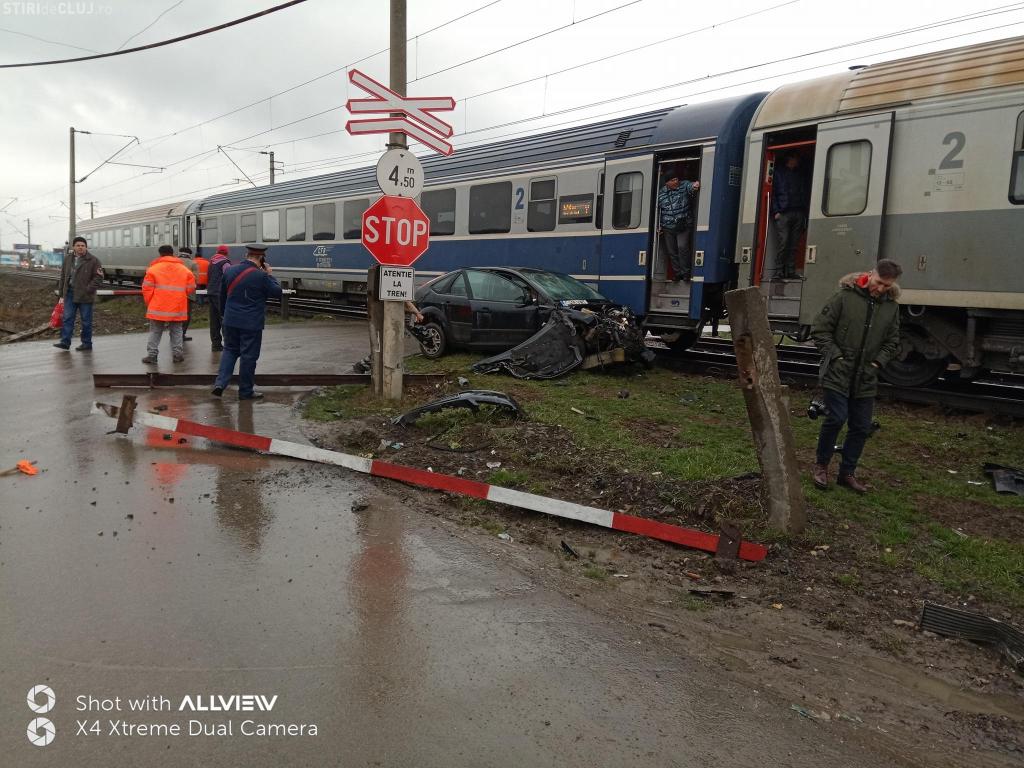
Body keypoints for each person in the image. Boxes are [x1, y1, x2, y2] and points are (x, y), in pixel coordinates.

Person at [811, 260, 903, 494]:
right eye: (879, 282)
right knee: (836, 418)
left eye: (887, 285)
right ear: (871, 275)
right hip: (839, 372)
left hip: (866, 376)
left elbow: (893, 341)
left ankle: (847, 473)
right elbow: (821, 329)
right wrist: (837, 357)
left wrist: (876, 362)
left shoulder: (891, 307)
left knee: (861, 427)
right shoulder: (844, 297)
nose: (881, 289)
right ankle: (821, 466)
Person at [212, 243, 282, 400]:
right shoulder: (261, 276)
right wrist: (270, 274)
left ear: (246, 256)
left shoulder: (230, 270)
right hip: (251, 323)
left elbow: (221, 295)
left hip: (230, 320)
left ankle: (220, 384)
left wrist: (225, 315)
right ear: (262, 258)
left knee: (229, 351)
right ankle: (245, 392)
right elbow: (277, 292)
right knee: (248, 357)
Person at [141, 245, 196, 365]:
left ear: (160, 254)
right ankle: (177, 355)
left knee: (155, 331)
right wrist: (181, 295)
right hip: (177, 306)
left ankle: (152, 355)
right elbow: (191, 287)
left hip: (158, 307)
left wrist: (150, 303)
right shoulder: (184, 269)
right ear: (172, 254)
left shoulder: (153, 269)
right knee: (176, 330)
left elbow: (146, 289)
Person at [53, 236, 103, 351]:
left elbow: (99, 277)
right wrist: (61, 293)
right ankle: (65, 342)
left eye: (83, 246)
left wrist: (88, 289)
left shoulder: (93, 260)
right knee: (67, 318)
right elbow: (63, 276)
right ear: (73, 247)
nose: (81, 247)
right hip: (70, 293)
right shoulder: (68, 259)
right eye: (78, 245)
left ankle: (86, 343)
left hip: (85, 295)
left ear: (86, 247)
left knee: (86, 320)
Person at [771, 152, 809, 279]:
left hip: (798, 211)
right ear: (789, 159)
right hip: (784, 212)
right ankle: (779, 270)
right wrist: (776, 211)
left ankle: (790, 270)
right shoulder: (778, 174)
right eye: (795, 158)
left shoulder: (800, 175)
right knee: (784, 241)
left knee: (793, 244)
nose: (797, 161)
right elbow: (773, 193)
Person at [656, 175, 700, 282]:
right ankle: (678, 273)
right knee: (671, 251)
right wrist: (658, 225)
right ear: (667, 183)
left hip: (684, 225)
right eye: (673, 180)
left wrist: (694, 185)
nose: (676, 181)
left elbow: (691, 187)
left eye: (676, 178)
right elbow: (657, 210)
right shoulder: (661, 194)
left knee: (682, 247)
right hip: (668, 227)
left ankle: (686, 273)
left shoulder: (684, 185)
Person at [207, 245, 232, 352]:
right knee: (224, 318)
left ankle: (216, 344)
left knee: (214, 320)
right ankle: (229, 344)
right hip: (220, 294)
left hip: (211, 292)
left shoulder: (211, 262)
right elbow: (229, 277)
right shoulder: (225, 263)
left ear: (217, 252)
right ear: (226, 253)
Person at [177, 247, 199, 341]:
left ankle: (174, 334)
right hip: (187, 294)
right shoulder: (193, 263)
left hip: (174, 293)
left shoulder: (175, 262)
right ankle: (182, 334)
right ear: (189, 254)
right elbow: (195, 279)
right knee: (186, 315)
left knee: (176, 315)